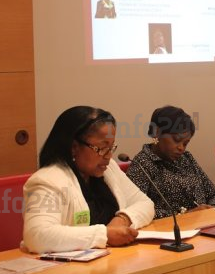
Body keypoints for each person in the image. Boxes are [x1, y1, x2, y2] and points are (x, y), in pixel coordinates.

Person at [22, 106, 154, 254]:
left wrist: (122, 219)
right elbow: (37, 235)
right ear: (74, 147)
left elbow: (145, 203)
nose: (109, 156)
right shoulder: (47, 181)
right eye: (101, 148)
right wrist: (105, 235)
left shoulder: (109, 169)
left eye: (111, 147)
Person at [127, 106, 215, 219]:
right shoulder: (142, 164)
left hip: (204, 224)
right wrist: (186, 216)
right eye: (177, 140)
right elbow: (135, 211)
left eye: (185, 143)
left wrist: (211, 210)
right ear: (157, 132)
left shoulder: (186, 158)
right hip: (170, 228)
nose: (181, 148)